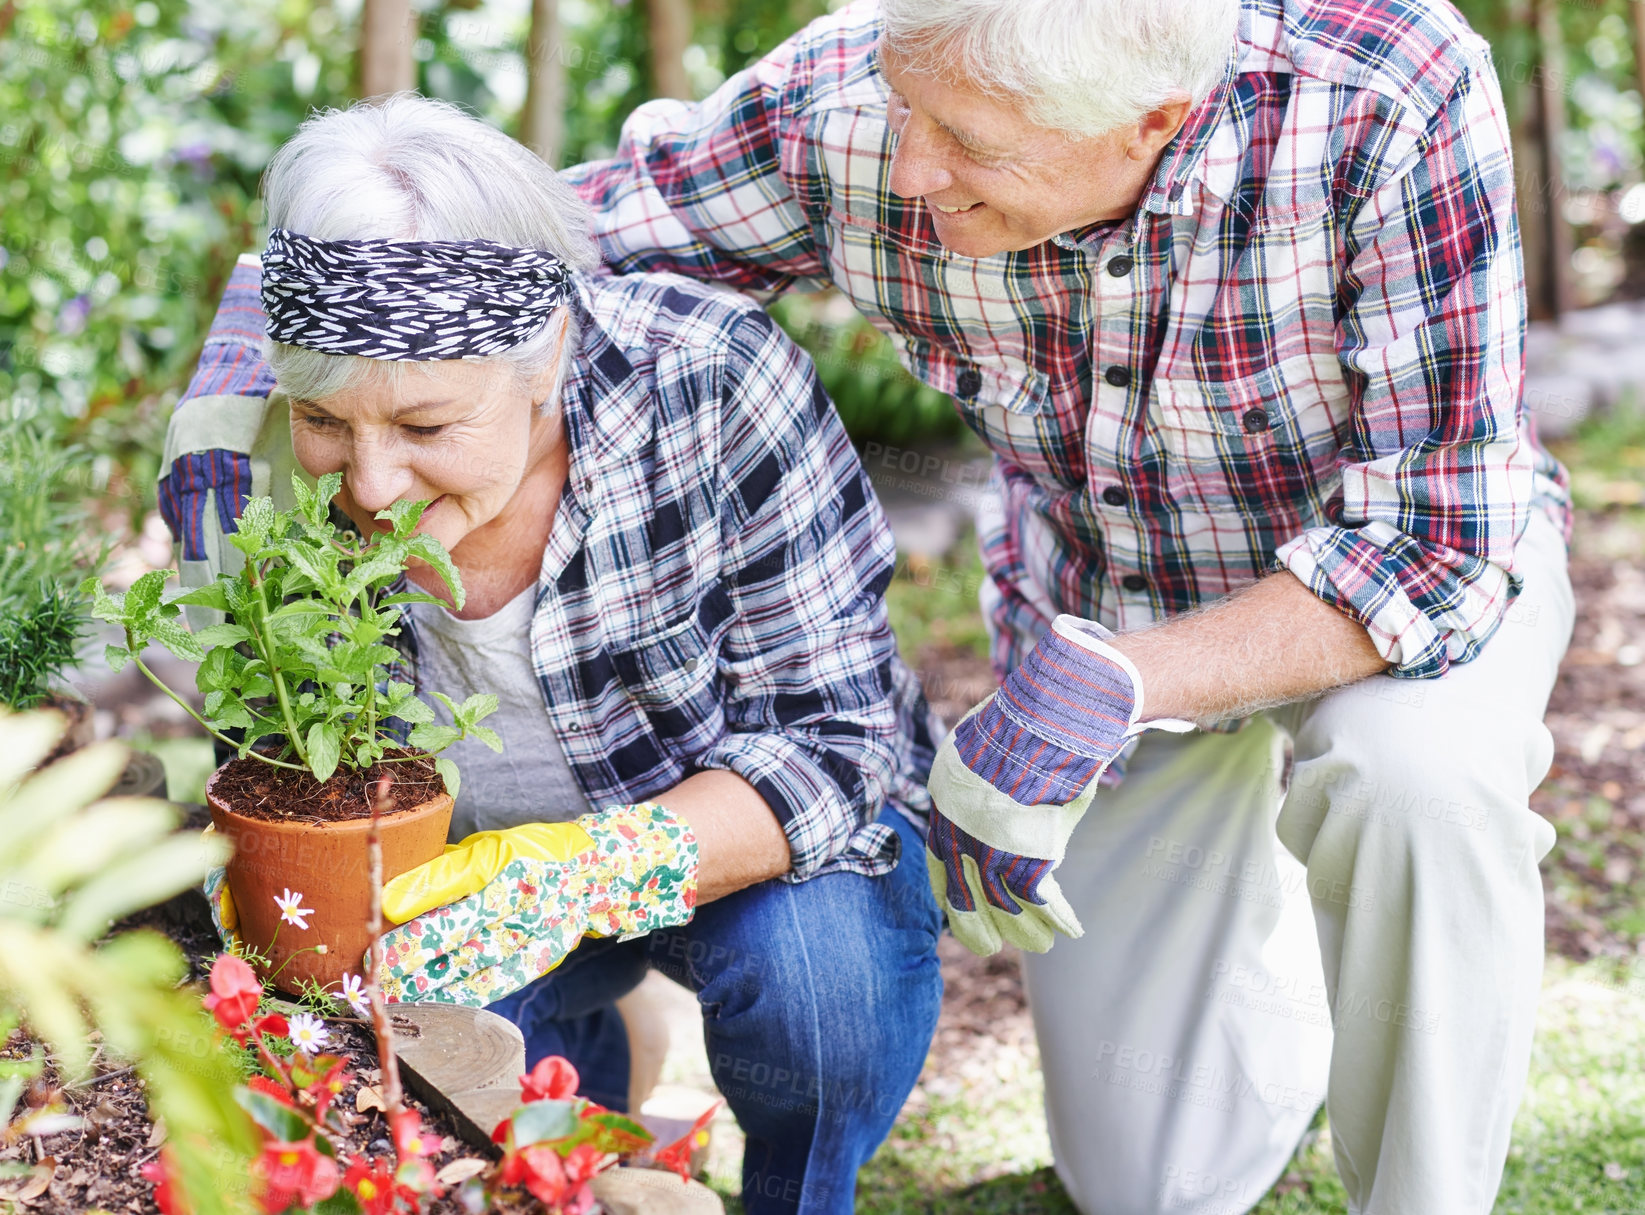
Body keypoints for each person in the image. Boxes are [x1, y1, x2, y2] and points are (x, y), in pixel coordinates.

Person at [563, 0, 1575, 1212]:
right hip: (1099, 593)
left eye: (972, 144)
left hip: (1387, 612)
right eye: (905, 109)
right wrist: (295, 304)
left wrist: (1106, 687)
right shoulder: (858, 92)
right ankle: (1293, 971)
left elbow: (1434, 540)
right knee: (1144, 1184)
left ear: (1153, 120)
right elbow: (579, 235)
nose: (913, 165)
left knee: (1412, 786)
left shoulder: (1386, 92)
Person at [160, 94, 943, 1215]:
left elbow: (838, 739)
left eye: (427, 428)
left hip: (725, 850)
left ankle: (794, 1192)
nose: (370, 486)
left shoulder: (711, 383)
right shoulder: (240, 463)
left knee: (820, 998)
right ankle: (588, 1094)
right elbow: (280, 753)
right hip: (450, 885)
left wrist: (581, 877)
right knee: (427, 1109)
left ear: (546, 360)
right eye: (326, 421)